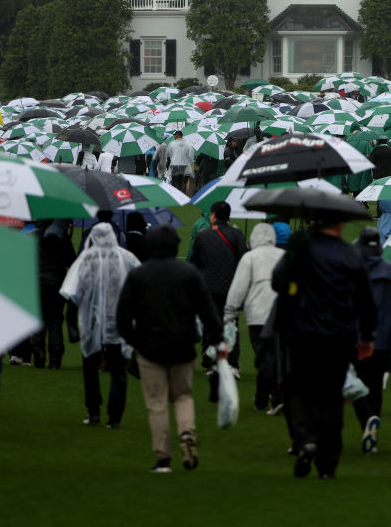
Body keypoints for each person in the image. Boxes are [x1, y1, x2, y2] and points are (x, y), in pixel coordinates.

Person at [271, 214, 378, 479]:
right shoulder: (350, 255)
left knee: (298, 388)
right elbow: (366, 300)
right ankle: (328, 462)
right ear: (340, 224)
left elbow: (277, 281)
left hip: (302, 332)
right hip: (338, 335)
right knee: (331, 397)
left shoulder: (300, 250)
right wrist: (366, 336)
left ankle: (306, 437)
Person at [117, 225, 223, 473]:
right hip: (183, 346)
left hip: (149, 347)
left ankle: (163, 458)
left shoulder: (139, 275)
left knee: (157, 403)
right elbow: (208, 312)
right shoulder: (189, 273)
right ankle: (187, 432)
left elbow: (122, 317)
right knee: (183, 396)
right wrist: (216, 337)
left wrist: (134, 341)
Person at [60, 223, 141, 429]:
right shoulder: (127, 257)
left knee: (90, 367)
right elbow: (142, 284)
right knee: (118, 370)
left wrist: (71, 323)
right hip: (119, 323)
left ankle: (93, 410)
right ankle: (115, 417)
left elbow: (73, 293)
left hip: (92, 322)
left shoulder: (86, 258)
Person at [352, 228, 391, 454]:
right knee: (374, 384)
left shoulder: (353, 271)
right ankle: (372, 422)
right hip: (384, 339)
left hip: (357, 338)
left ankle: (367, 419)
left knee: (354, 384)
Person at [224, 222, 286, 411]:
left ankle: (271, 397)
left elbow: (238, 287)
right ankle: (270, 396)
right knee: (276, 356)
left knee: (263, 358)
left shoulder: (250, 257)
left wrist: (230, 311)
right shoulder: (283, 256)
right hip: (280, 314)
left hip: (257, 315)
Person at [189, 201, 247, 377]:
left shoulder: (203, 235)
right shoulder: (237, 234)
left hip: (208, 289)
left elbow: (194, 263)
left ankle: (211, 362)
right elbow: (242, 261)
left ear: (213, 215)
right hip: (230, 288)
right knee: (231, 325)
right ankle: (232, 363)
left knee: (210, 326)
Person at [31, 219, 76, 369]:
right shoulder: (61, 237)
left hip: (38, 282)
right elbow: (71, 261)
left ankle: (38, 352)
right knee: (55, 319)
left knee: (40, 318)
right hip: (57, 282)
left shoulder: (33, 236)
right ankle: (55, 356)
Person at [165, 130, 196, 194]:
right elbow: (191, 155)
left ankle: (177, 194)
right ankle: (181, 194)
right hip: (184, 166)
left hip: (175, 165)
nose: (174, 137)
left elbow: (167, 154)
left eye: (175, 135)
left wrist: (168, 165)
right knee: (180, 181)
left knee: (175, 181)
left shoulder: (172, 143)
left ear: (178, 135)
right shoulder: (187, 144)